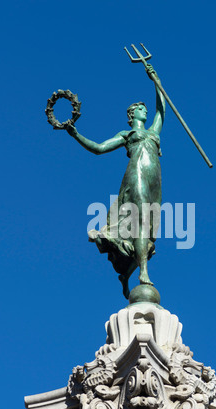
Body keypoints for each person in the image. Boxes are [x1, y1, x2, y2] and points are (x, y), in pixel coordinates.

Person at [65, 65, 166, 299]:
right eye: (141, 108)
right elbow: (99, 149)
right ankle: (143, 273)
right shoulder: (127, 135)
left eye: (145, 108)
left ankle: (127, 273)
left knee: (150, 230)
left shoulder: (154, 133)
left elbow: (162, 111)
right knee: (140, 219)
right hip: (136, 175)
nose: (145, 110)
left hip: (155, 180)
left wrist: (156, 80)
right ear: (132, 115)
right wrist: (76, 134)